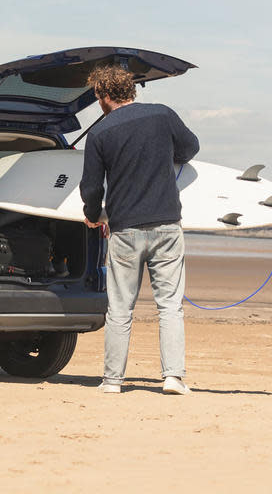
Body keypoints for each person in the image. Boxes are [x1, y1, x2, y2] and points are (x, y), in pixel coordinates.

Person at [79, 65, 199, 395]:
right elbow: (190, 149)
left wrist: (93, 215)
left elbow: (90, 187)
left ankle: (112, 381)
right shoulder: (162, 116)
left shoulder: (100, 134)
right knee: (170, 305)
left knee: (120, 308)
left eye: (97, 97)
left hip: (125, 230)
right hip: (166, 226)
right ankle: (173, 377)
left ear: (103, 96)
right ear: (131, 90)